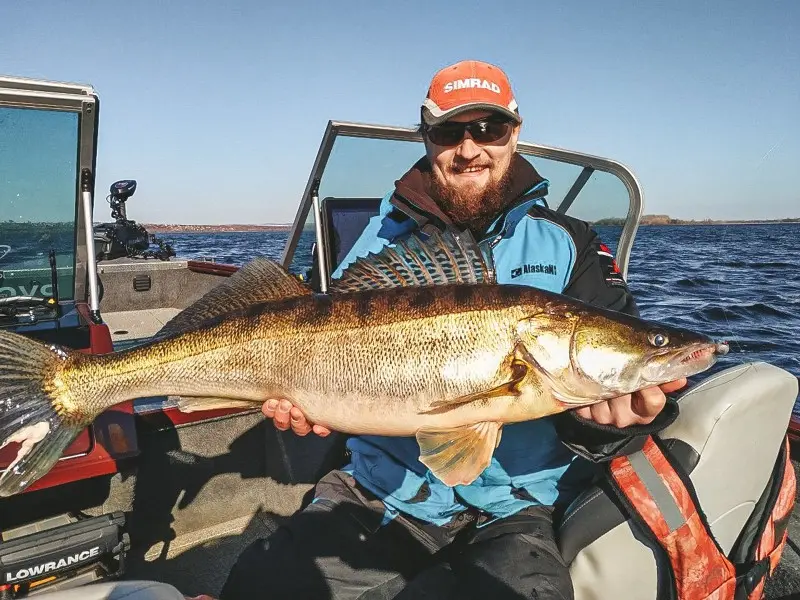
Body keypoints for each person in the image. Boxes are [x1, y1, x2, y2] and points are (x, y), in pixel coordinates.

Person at [219, 60, 686, 600]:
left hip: (518, 508)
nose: (469, 149)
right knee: (261, 587)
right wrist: (306, 402)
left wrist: (606, 426)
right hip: (379, 489)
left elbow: (600, 405)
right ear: (426, 137)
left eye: (489, 128)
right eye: (448, 132)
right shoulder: (379, 237)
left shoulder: (572, 244)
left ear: (515, 133)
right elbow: (326, 337)